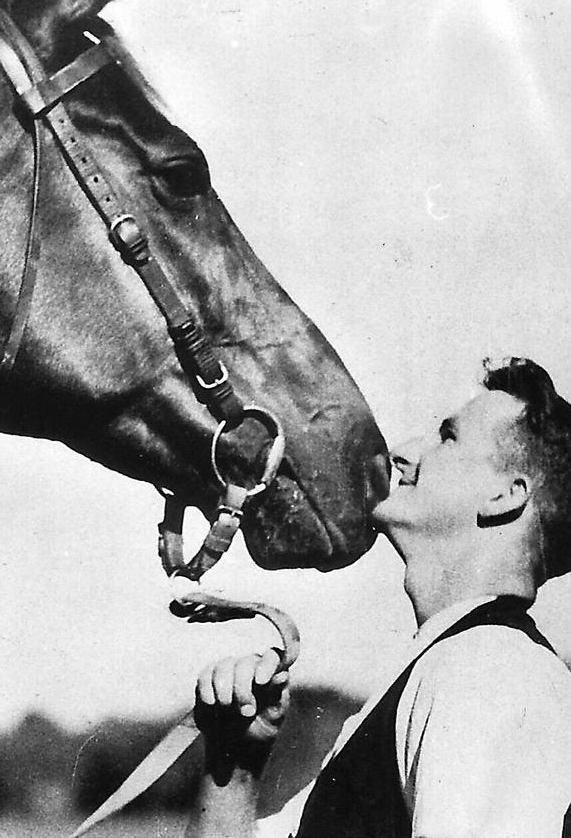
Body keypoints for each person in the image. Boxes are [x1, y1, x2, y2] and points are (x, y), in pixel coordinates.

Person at [185, 357, 571, 838]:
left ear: (505, 496)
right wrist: (234, 767)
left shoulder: (489, 669)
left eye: (448, 437)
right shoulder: (447, 667)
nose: (405, 452)